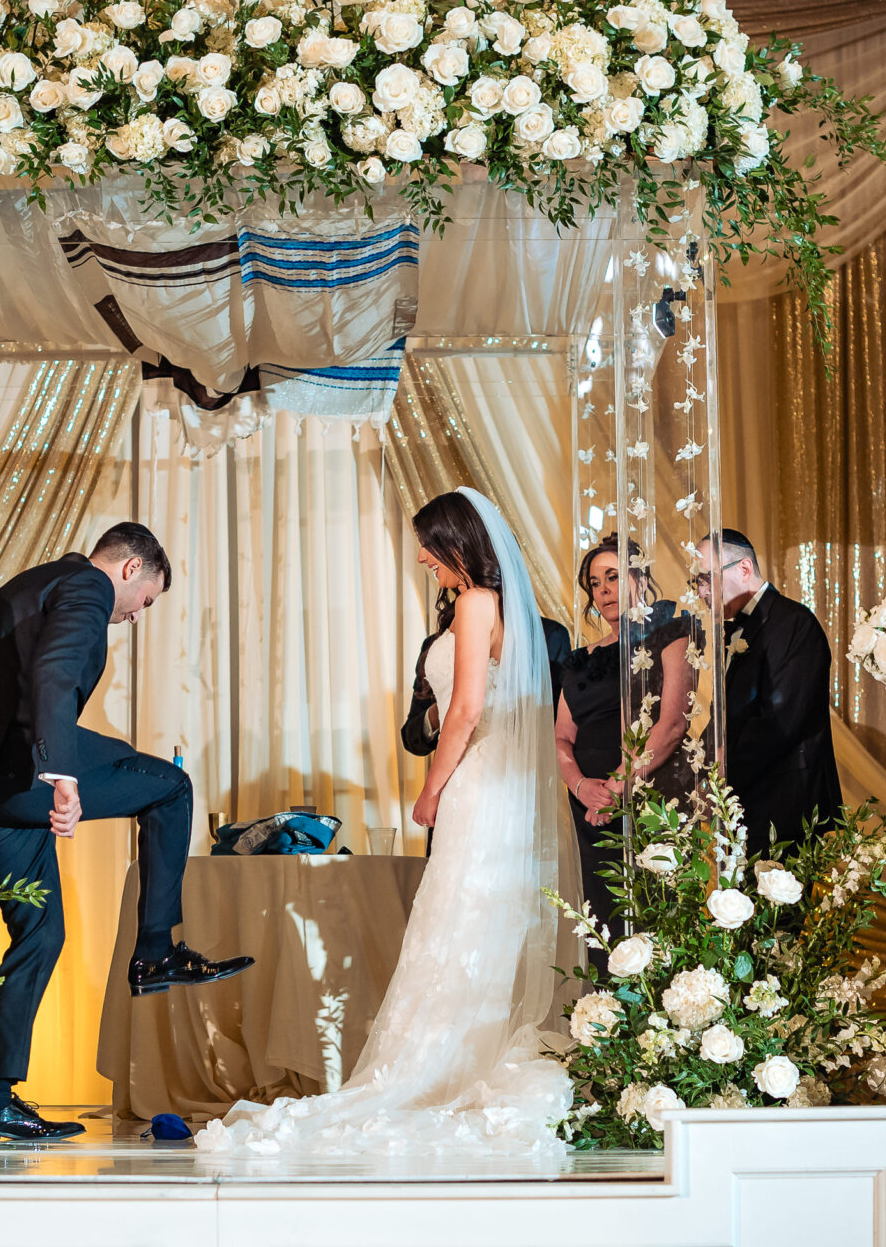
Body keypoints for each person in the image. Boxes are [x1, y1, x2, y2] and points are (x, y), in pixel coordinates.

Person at [198, 490, 572, 1156]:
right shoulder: (506, 608)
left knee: (457, 919)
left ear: (459, 541)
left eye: (430, 545)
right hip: (503, 788)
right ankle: (468, 1056)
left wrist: (431, 788)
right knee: (476, 922)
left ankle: (440, 1067)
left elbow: (464, 712)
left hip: (477, 781)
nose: (424, 557)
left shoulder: (474, 603)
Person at [0, 522, 252, 1141]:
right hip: (16, 777)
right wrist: (62, 773)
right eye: (146, 601)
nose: (135, 616)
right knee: (171, 787)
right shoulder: (86, 587)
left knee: (42, 937)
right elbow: (54, 673)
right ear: (130, 570)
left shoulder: (33, 582)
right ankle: (154, 950)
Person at [554, 533, 693, 938]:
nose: (603, 590)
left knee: (652, 921)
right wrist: (580, 787)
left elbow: (671, 725)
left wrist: (616, 787)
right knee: (601, 924)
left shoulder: (671, 633)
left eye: (613, 577)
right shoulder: (582, 659)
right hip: (588, 810)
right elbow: (561, 736)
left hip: (647, 796)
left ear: (641, 577)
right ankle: (599, 1005)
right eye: (595, 583)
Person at [695, 528, 842, 852]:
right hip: (747, 800)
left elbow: (781, 721)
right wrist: (697, 766)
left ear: (744, 569)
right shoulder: (737, 628)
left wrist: (719, 780)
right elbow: (728, 713)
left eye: (707, 578)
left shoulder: (794, 623)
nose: (702, 591)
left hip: (786, 803)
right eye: (697, 582)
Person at [402, 616, 571, 756]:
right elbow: (411, 738)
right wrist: (442, 709)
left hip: (520, 773)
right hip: (457, 781)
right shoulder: (438, 646)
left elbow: (559, 723)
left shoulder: (548, 635)